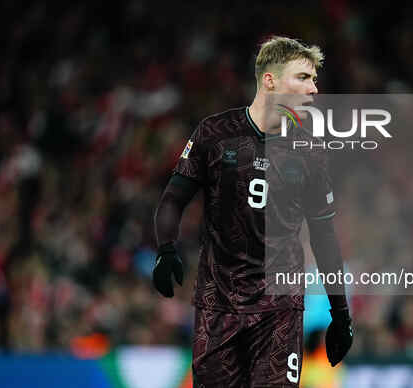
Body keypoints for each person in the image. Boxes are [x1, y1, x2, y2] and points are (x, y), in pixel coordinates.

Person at [153, 36, 353, 388]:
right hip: (219, 307)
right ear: (270, 80)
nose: (314, 89)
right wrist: (166, 249)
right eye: (303, 78)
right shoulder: (214, 134)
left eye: (314, 79)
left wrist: (341, 314)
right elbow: (172, 200)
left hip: (280, 310)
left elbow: (323, 236)